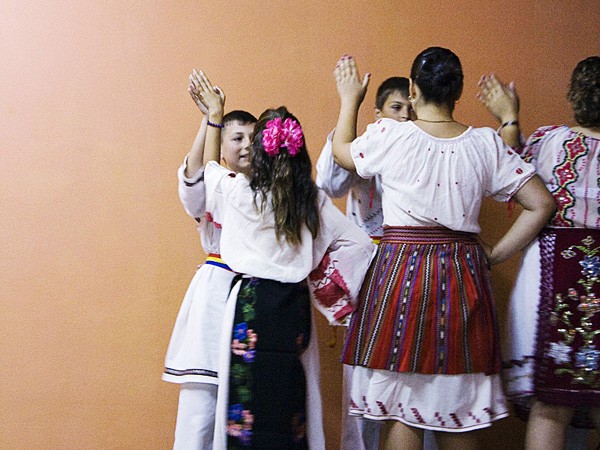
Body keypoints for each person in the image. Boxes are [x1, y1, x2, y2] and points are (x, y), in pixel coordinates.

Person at [331, 48, 556, 449]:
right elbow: (541, 204)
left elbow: (342, 152)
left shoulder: (391, 134)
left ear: (412, 90)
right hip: (461, 274)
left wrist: (350, 100)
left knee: (402, 407)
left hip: (399, 275)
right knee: (457, 409)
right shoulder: (485, 144)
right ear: (458, 91)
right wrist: (493, 255)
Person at [192, 69, 376, 449]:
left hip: (249, 305)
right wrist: (325, 285)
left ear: (258, 152)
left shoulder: (238, 190)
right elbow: (359, 245)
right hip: (293, 305)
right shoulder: (311, 199)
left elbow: (209, 171)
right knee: (291, 401)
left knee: (245, 403)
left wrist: (214, 115)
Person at [481, 56, 600, 450]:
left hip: (552, 274)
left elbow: (512, 171)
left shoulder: (550, 142)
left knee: (550, 404)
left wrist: (508, 117)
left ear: (574, 96)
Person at [316, 76, 414, 450]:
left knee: (412, 377)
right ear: (377, 114)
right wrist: (349, 107)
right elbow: (329, 183)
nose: (404, 117)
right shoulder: (363, 148)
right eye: (396, 108)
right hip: (368, 275)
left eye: (411, 110)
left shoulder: (424, 150)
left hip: (412, 269)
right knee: (361, 378)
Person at [162, 69, 256, 449]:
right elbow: (195, 177)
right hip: (214, 296)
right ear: (222, 146)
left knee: (241, 408)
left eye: (254, 138)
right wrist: (209, 119)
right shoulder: (213, 186)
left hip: (251, 296)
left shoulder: (265, 193)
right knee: (199, 409)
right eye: (237, 138)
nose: (247, 146)